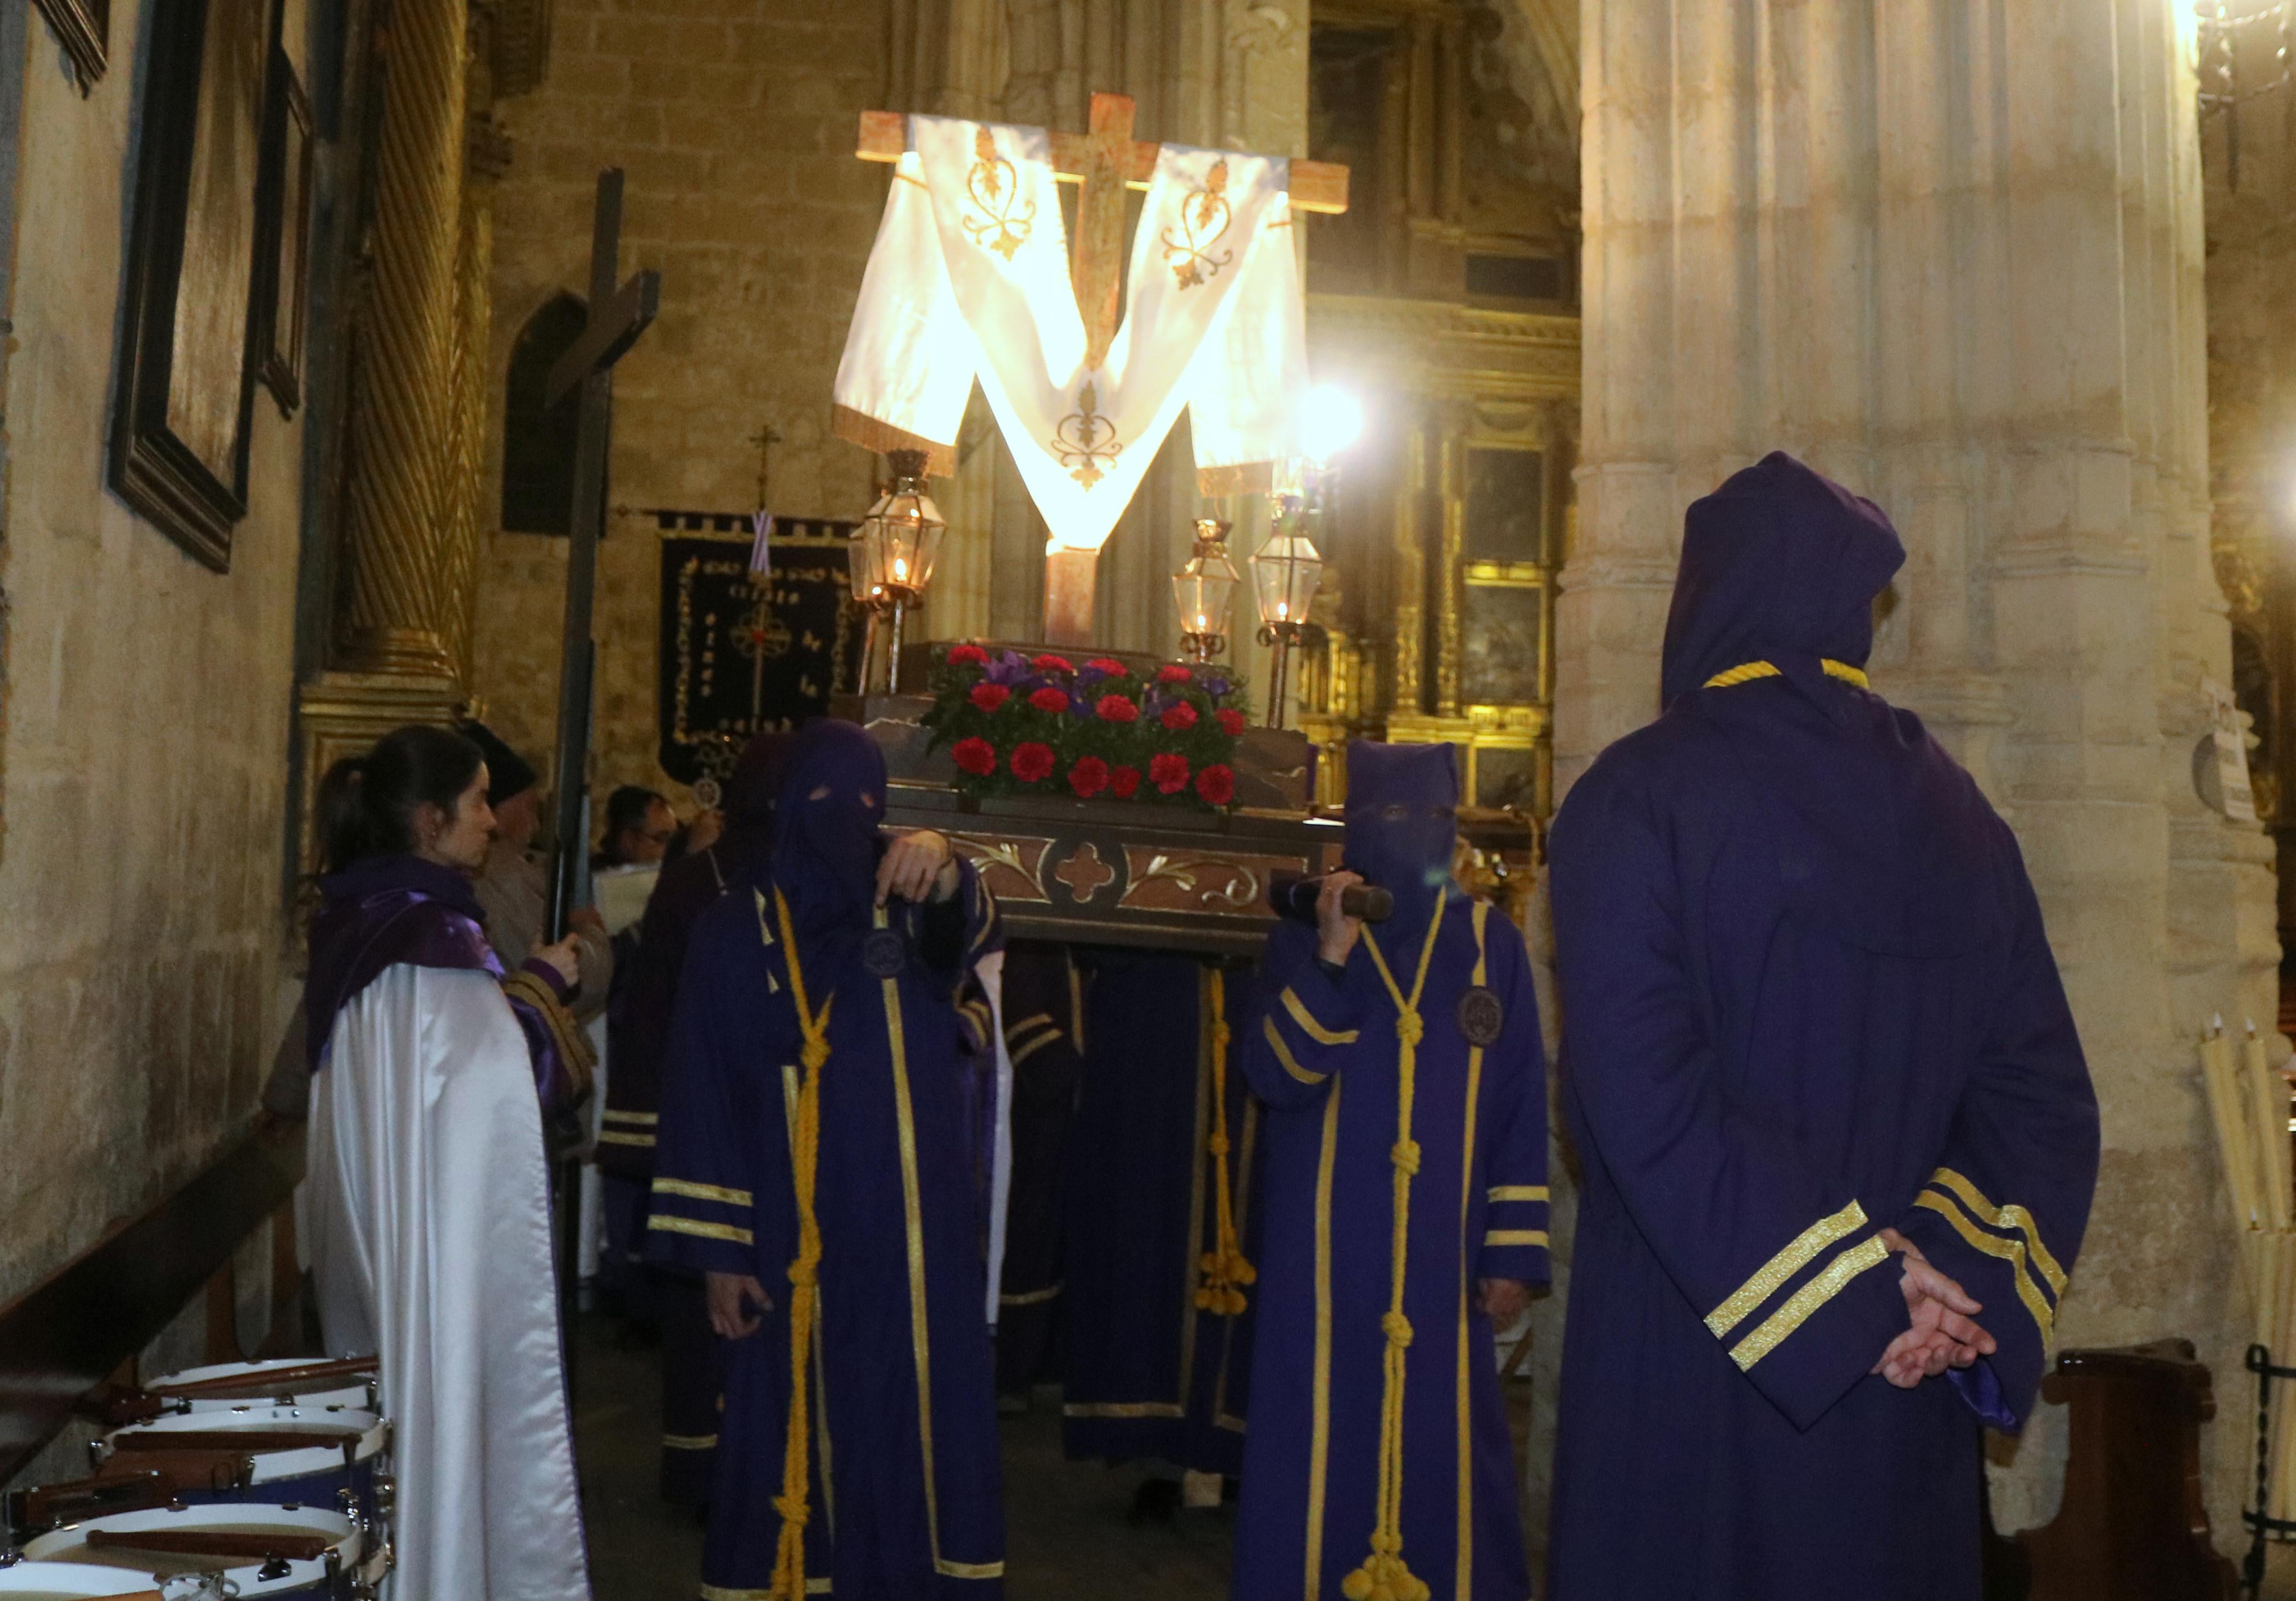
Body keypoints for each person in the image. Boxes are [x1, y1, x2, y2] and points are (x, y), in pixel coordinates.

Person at [1545, 453, 2101, 1599]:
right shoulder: (1963, 815)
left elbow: (1640, 1098)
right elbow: (2037, 1098)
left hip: (1696, 1353)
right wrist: (1948, 1285)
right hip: (1896, 1382)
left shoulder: (1633, 794)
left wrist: (1859, 1290)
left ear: (1703, 596)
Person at [648, 719, 1006, 1598]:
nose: (841, 821)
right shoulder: (734, 931)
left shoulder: (908, 901)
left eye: (863, 804)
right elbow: (701, 1090)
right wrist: (719, 1258)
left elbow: (968, 927)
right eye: (820, 800)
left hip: (909, 1245)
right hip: (788, 1237)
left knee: (906, 1414)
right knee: (790, 1423)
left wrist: (947, 857)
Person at [1233, 740, 1548, 1601]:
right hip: (1324, 1260)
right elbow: (1274, 1075)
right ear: (1357, 828)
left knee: (1446, 1440)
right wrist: (1331, 956)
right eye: (1396, 820)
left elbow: (1521, 1097)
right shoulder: (1301, 934)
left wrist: (1511, 1252)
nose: (1418, 838)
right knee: (1319, 1433)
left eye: (1435, 821)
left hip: (1444, 1260)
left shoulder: (1491, 944)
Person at [299, 724, 593, 1601]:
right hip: (434, 1246)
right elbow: (500, 1088)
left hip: (382, 1233)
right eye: (475, 801)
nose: (492, 822)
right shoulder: (436, 936)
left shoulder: (359, 917)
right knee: (445, 1419)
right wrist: (542, 985)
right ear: (429, 820)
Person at [600, 731, 792, 1506]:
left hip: (709, 1125)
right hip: (734, 1124)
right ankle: (716, 1468)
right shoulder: (702, 884)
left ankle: (718, 1471)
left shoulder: (697, 880)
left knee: (715, 1313)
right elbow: (659, 1012)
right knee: (716, 1310)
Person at [461, 718, 612, 1011]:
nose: (536, 825)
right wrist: (588, 927)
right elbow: (576, 986)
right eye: (530, 808)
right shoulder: (501, 875)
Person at [596, 784, 675, 870]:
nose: (674, 850)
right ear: (629, 840)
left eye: (675, 839)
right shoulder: (593, 879)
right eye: (662, 838)